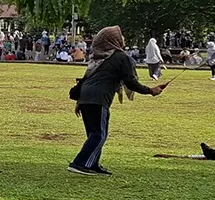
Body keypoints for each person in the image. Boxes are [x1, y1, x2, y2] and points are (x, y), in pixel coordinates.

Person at [70, 26, 165, 176]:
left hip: (86, 97)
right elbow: (131, 82)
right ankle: (80, 163)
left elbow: (87, 78)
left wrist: (79, 101)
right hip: (98, 98)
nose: (123, 39)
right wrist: (150, 90)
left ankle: (92, 163)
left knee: (95, 133)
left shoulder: (99, 57)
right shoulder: (121, 57)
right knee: (99, 135)